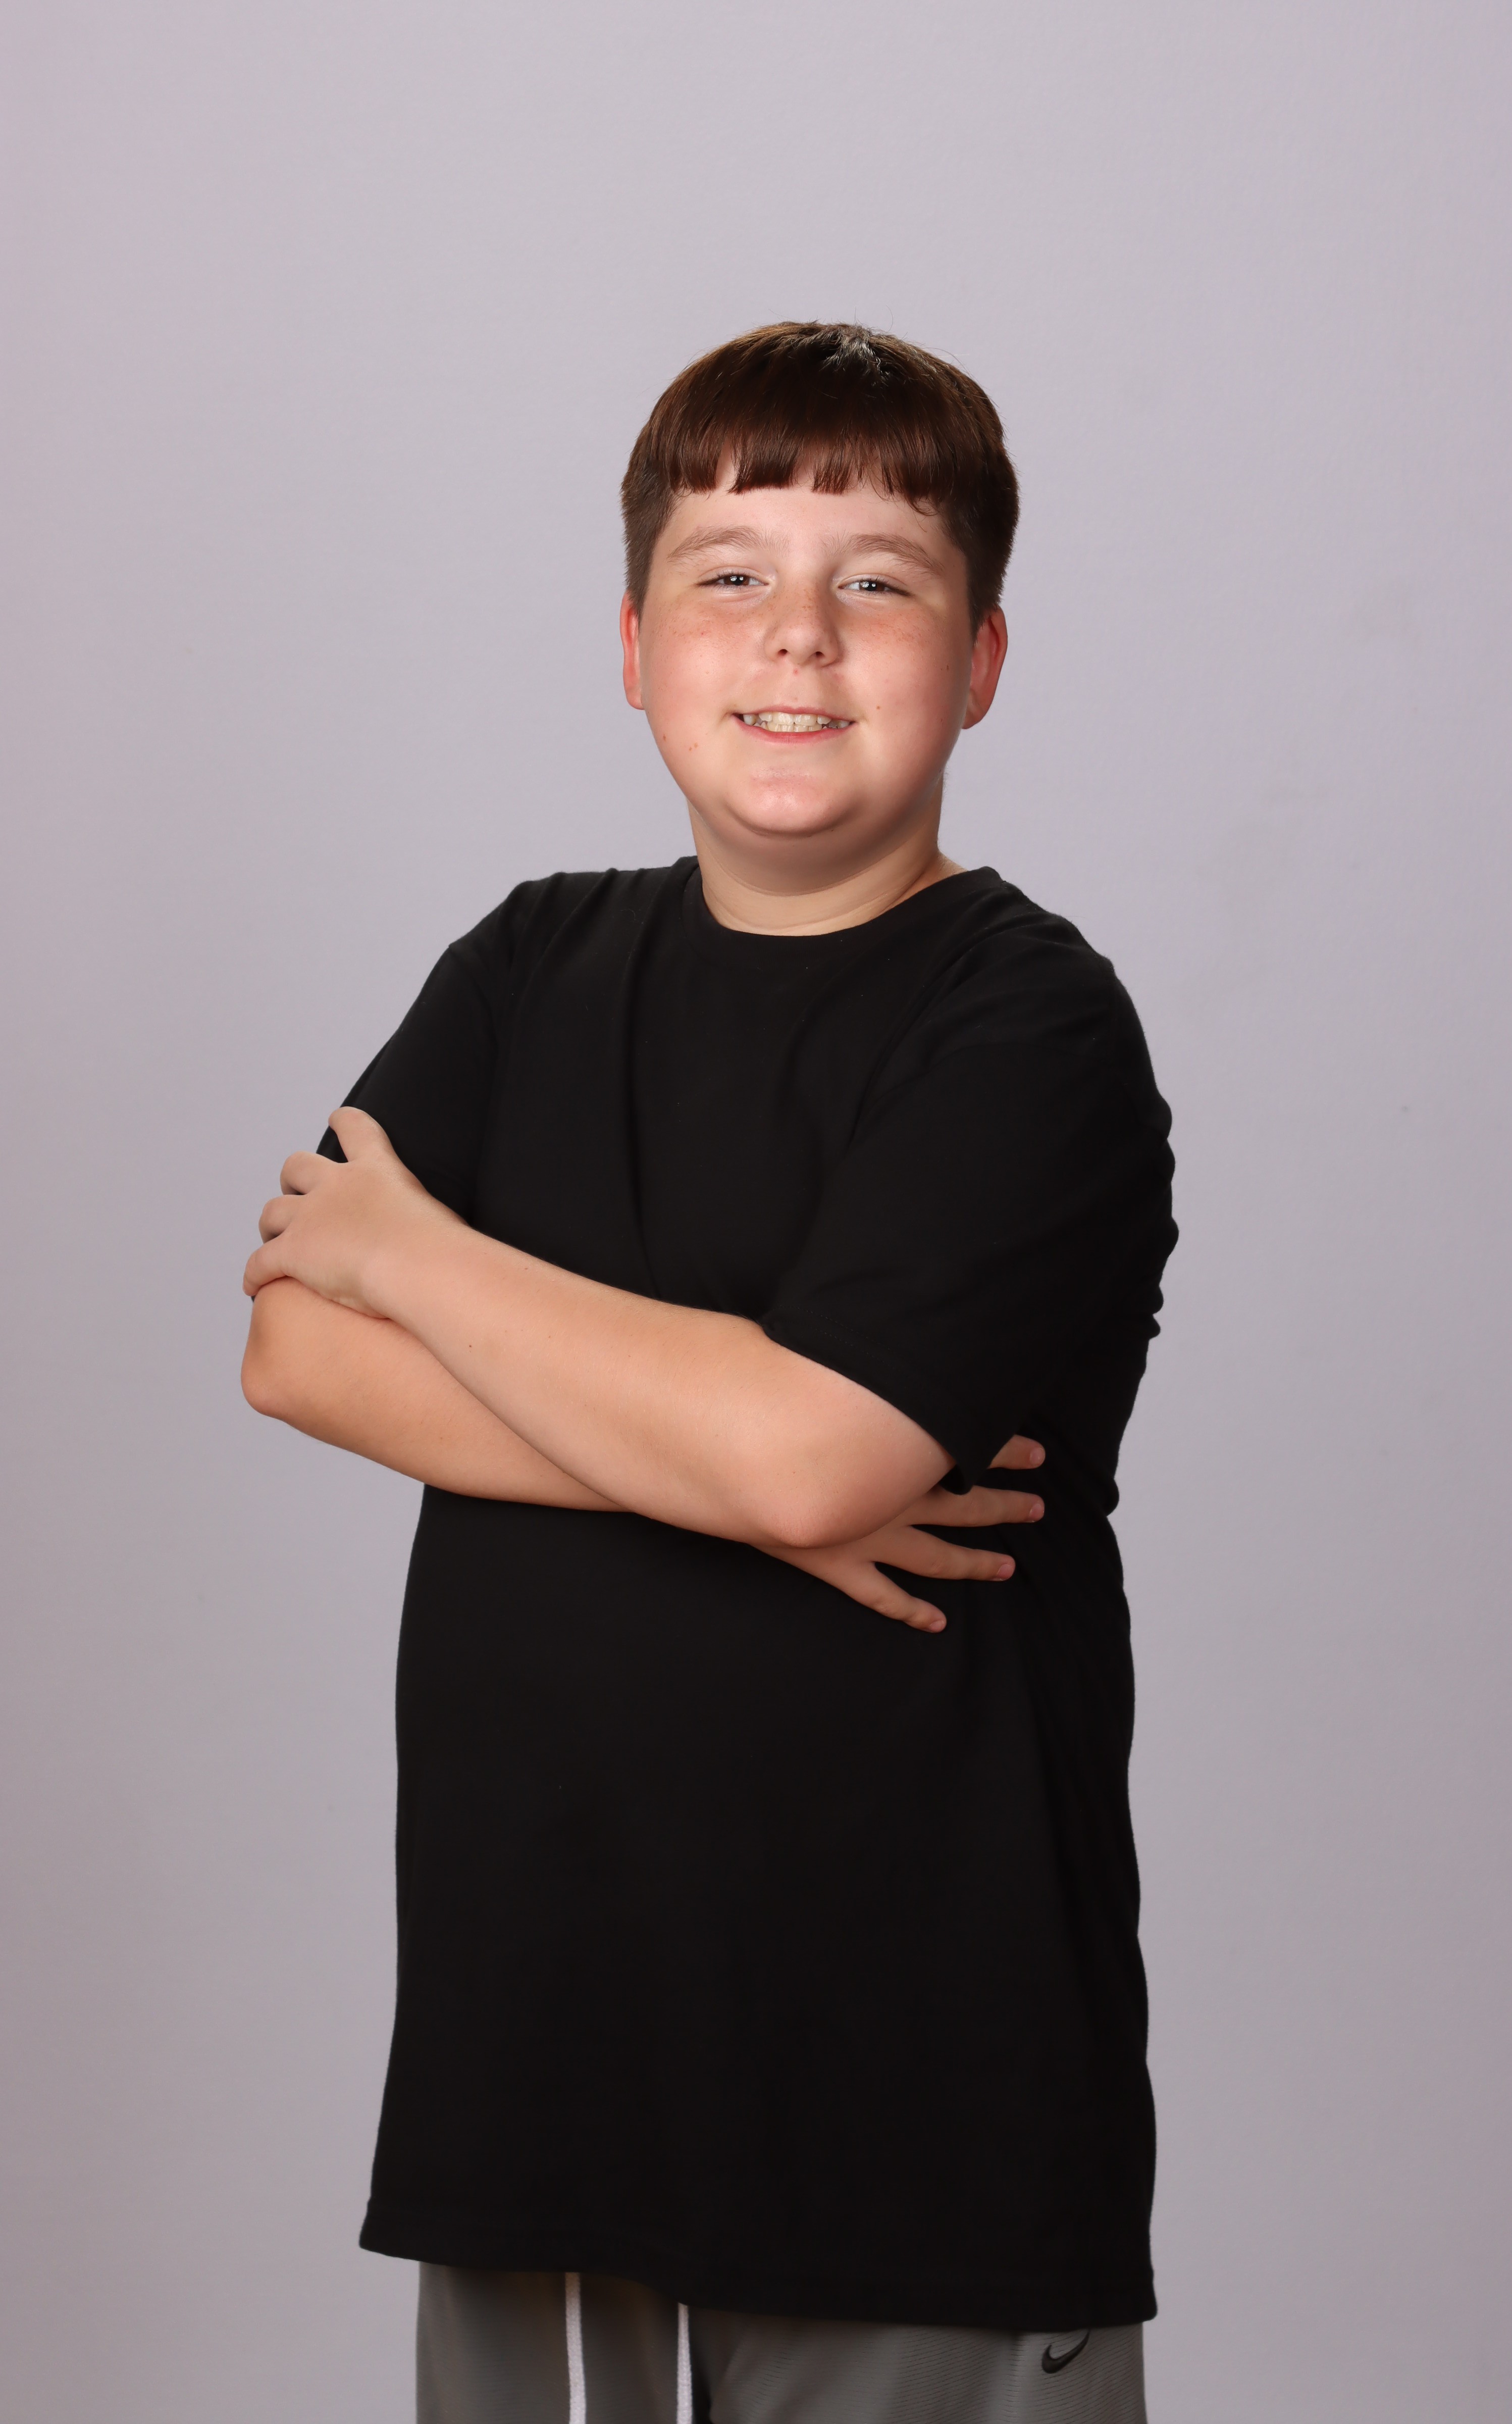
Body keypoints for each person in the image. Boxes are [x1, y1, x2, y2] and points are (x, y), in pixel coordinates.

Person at [242, 322, 1176, 2424]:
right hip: (540, 2083)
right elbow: (295, 1349)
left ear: (982, 660)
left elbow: (811, 1458)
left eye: (880, 581)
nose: (798, 635)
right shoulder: (526, 965)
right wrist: (731, 1468)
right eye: (729, 573)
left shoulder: (1029, 1028)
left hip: (917, 2109)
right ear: (635, 644)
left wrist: (423, 1259)